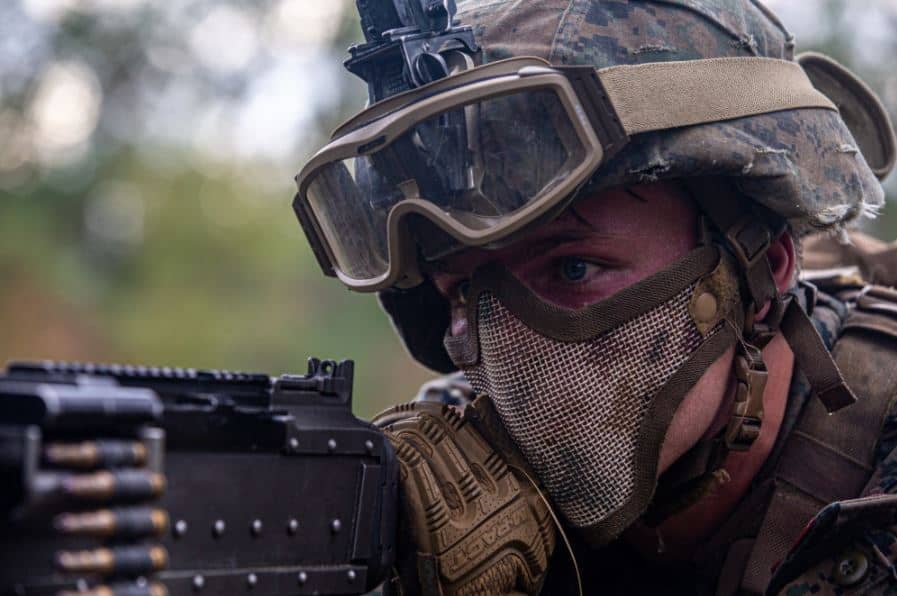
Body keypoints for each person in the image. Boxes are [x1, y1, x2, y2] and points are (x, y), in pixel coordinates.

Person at [293, 0, 897, 593]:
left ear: (764, 266)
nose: (512, 354)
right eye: (461, 296)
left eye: (574, 268)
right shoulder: (432, 508)